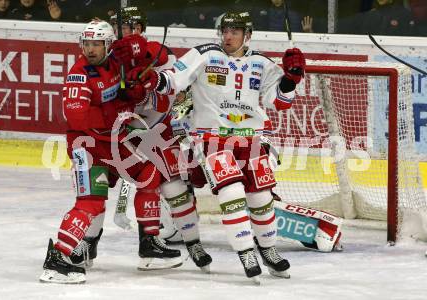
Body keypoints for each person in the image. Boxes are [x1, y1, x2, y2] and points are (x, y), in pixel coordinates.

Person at [129, 11, 305, 283]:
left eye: (235, 31)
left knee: (261, 198)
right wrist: (154, 79)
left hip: (252, 139)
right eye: (225, 30)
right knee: (228, 191)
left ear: (248, 35)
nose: (228, 36)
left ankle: (268, 250)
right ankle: (243, 251)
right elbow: (173, 80)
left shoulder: (261, 63)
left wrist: (291, 79)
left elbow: (279, 101)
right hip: (210, 139)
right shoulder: (204, 54)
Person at [39, 20, 182, 284]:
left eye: (96, 44)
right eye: (87, 44)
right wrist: (117, 109)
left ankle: (149, 245)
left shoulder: (117, 59)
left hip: (114, 142)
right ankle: (58, 257)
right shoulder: (79, 75)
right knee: (92, 202)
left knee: (149, 173)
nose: (90, 49)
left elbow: (159, 54)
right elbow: (77, 117)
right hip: (87, 145)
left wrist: (134, 85)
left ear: (107, 44)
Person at [111, 6, 213, 272]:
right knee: (137, 188)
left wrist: (140, 53)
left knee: (176, 191)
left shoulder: (156, 50)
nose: (122, 32)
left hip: (161, 132)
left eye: (128, 26)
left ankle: (189, 244)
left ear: (140, 29)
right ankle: (91, 243)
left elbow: (170, 67)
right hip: (128, 136)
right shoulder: (109, 57)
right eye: (119, 26)